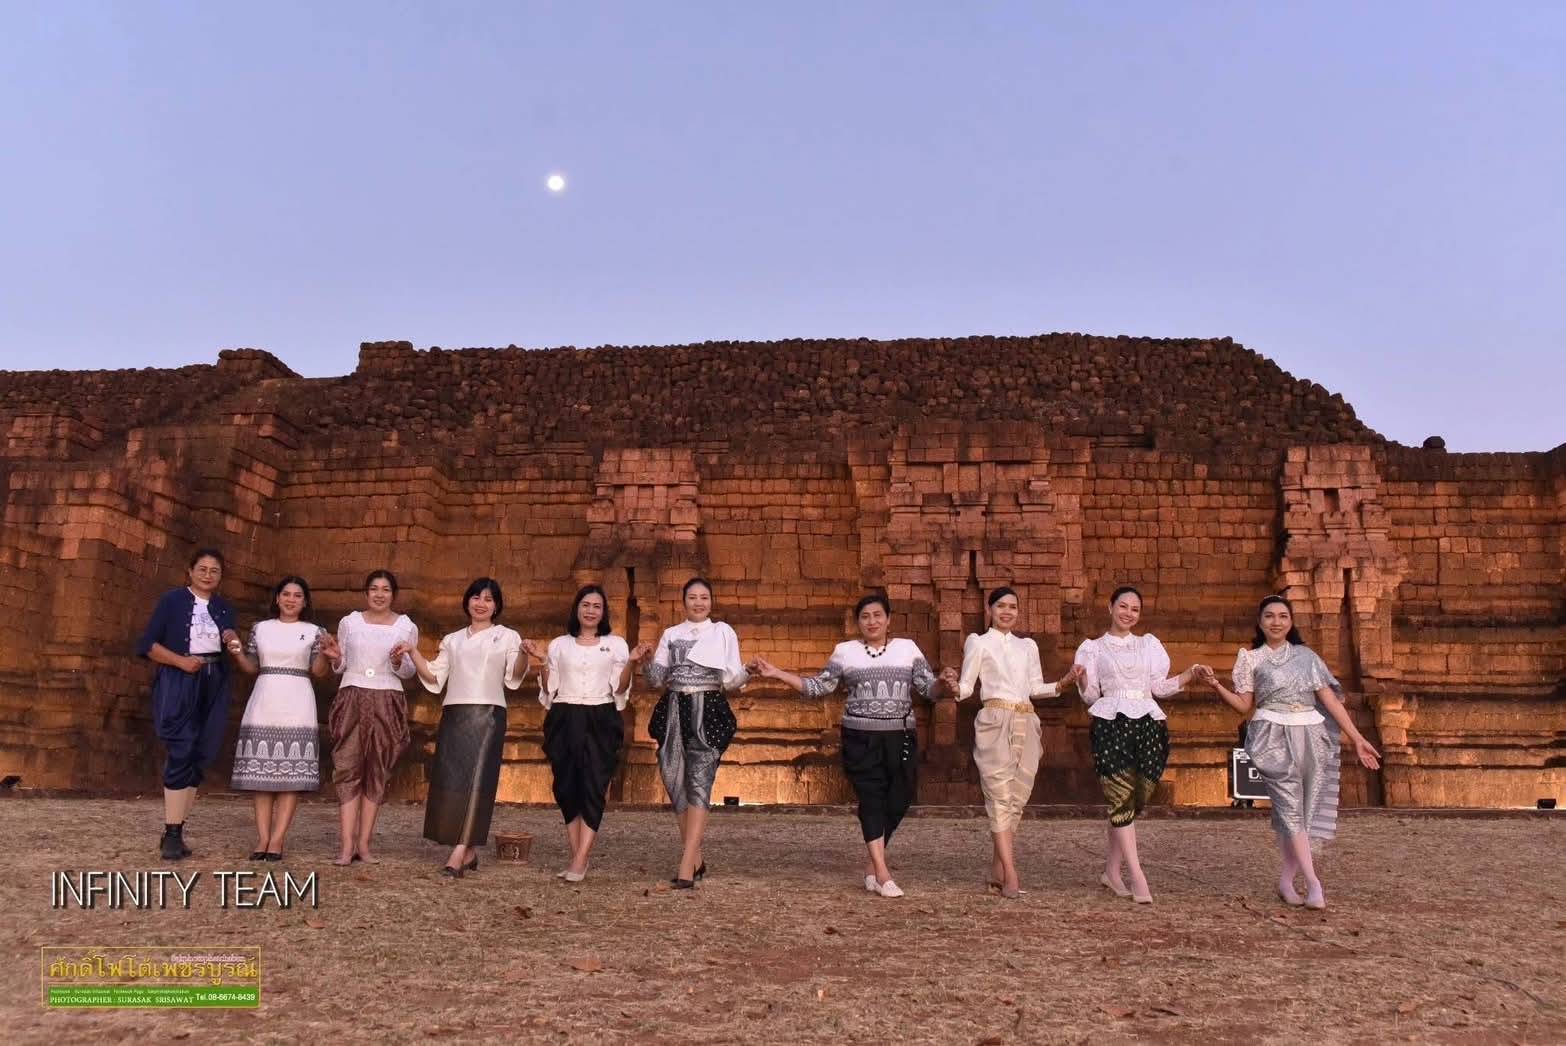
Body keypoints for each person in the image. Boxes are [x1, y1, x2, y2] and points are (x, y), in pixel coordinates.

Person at [751, 594, 945, 899]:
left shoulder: (907, 648)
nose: (872, 621)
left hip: (900, 737)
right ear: (858, 622)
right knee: (871, 798)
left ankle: (871, 864)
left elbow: (928, 689)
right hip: (860, 737)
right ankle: (882, 873)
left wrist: (943, 683)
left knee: (900, 798)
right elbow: (819, 687)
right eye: (865, 616)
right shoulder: (845, 652)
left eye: (877, 615)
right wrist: (777, 674)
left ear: (888, 619)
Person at [1194, 595, 1381, 910]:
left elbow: (1330, 701)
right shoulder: (1251, 659)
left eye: (1283, 616)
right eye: (1269, 616)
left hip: (1310, 733)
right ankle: (1314, 883)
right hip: (1272, 735)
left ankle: (1285, 880)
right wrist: (1216, 685)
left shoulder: (1306, 657)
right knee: (1291, 809)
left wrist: (1357, 738)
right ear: (1260, 621)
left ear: (1291, 621)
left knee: (1304, 813)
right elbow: (1244, 706)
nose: (1276, 622)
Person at [942, 587, 1083, 898]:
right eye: (1001, 606)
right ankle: (1011, 873)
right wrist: (952, 685)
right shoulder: (978, 642)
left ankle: (996, 867)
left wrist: (1064, 682)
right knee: (998, 794)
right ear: (990, 609)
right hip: (994, 720)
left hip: (1026, 720)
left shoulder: (1027, 646)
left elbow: (1034, 687)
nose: (1007, 612)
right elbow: (966, 687)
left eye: (1013, 607)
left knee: (1016, 797)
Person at [1073, 585, 1197, 904]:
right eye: (1123, 606)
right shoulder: (1092, 648)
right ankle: (1137, 875)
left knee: (1136, 798)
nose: (1128, 613)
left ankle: (1111, 871)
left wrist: (1188, 675)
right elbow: (1090, 695)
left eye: (1135, 609)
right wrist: (1082, 679)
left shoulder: (1149, 645)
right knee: (1119, 798)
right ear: (1110, 607)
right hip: (1111, 722)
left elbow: (1159, 686)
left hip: (1147, 722)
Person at [399, 577, 529, 878]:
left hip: (488, 714)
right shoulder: (453, 639)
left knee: (478, 781)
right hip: (455, 714)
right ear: (467, 601)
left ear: (496, 606)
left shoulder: (508, 636)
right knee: (453, 779)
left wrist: (524, 653)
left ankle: (459, 851)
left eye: (488, 599)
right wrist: (412, 651)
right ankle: (467, 850)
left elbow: (515, 675)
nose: (481, 603)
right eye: (476, 597)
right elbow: (433, 677)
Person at [526, 585, 652, 882]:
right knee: (567, 787)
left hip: (601, 716)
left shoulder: (617, 644)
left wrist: (632, 662)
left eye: (597, 606)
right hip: (564, 714)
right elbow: (548, 688)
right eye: (586, 604)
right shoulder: (559, 644)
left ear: (604, 612)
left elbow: (620, 689)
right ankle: (577, 859)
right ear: (577, 609)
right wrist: (542, 662)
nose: (591, 610)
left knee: (594, 786)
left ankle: (580, 860)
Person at [136, 548, 241, 860]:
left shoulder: (224, 608)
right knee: (181, 747)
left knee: (202, 751)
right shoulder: (172, 601)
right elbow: (148, 645)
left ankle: (178, 828)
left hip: (214, 680)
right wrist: (180, 662)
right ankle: (171, 832)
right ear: (190, 571)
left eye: (214, 571)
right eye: (203, 569)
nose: (208, 575)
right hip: (180, 678)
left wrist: (232, 640)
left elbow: (229, 644)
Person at [644, 577, 747, 889]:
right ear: (683, 601)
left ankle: (686, 865)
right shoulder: (670, 634)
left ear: (711, 601)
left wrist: (750, 673)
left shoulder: (722, 632)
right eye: (692, 597)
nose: (699, 602)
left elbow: (732, 682)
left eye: (704, 597)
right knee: (676, 781)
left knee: (700, 781)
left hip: (709, 708)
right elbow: (655, 680)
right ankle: (697, 858)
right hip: (674, 708)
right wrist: (646, 659)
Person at [227, 576, 336, 861]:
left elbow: (319, 671)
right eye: (285, 594)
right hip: (264, 698)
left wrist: (326, 654)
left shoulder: (314, 631)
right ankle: (262, 838)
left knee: (290, 777)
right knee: (261, 777)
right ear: (277, 598)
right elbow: (251, 667)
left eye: (297, 595)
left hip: (298, 700)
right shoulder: (260, 628)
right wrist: (236, 651)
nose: (290, 599)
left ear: (305, 601)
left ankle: (277, 839)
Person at [326, 569, 417, 866]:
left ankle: (364, 844)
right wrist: (335, 658)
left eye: (386, 589)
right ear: (366, 593)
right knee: (348, 766)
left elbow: (408, 671)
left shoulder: (405, 626)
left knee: (378, 767)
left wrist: (397, 662)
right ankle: (345, 844)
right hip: (352, 694)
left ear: (394, 594)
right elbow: (341, 664)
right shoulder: (350, 622)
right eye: (374, 589)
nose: (380, 594)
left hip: (387, 696)